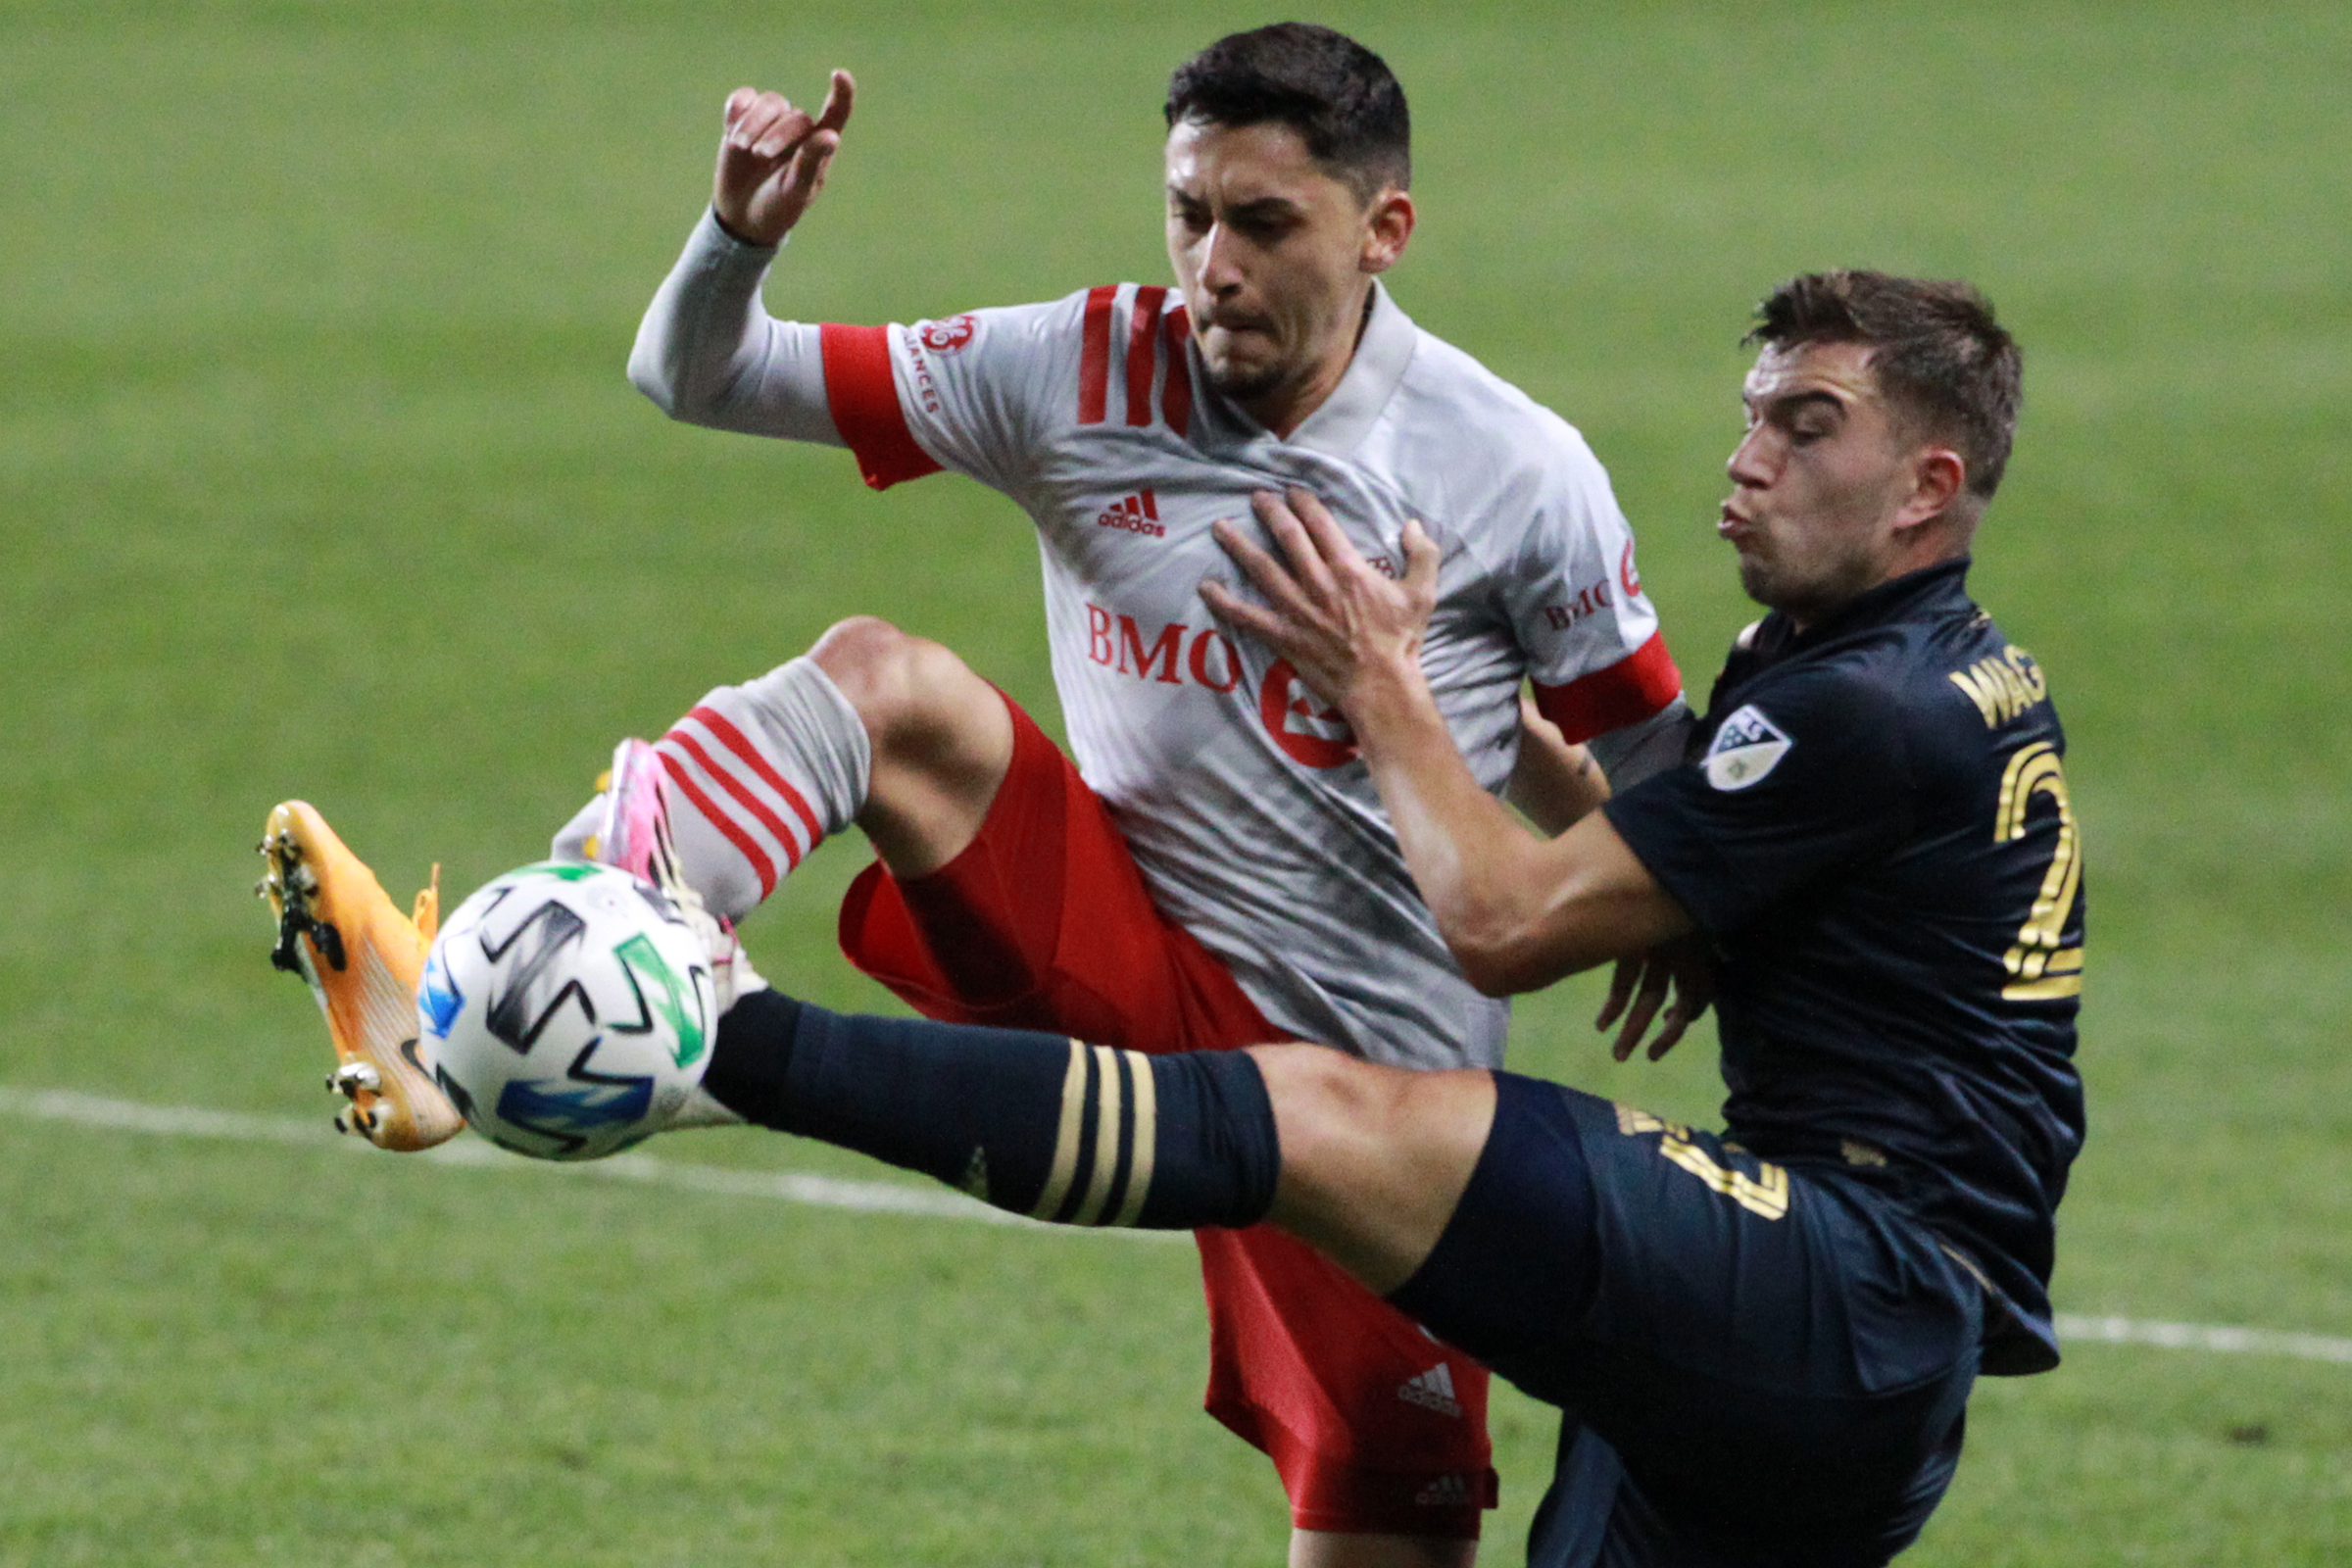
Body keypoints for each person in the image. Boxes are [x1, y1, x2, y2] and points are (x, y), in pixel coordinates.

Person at [258, 24, 1693, 1563]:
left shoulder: (1514, 470)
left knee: (1388, 1528)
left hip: (1367, 1099)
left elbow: (1659, 752)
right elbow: (694, 373)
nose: (1213, 263)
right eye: (1188, 213)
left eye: (1264, 223)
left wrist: (1678, 906)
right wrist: (739, 234)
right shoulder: (1079, 367)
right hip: (1119, 955)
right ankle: (529, 981)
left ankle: (554, 998)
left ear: (1383, 230)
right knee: (887, 688)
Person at [442, 268, 2079, 1565]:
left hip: (1848, 1285)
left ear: (1928, 489)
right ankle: (638, 929)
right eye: (1752, 415)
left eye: (1805, 426)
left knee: (1311, 1115)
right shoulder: (1895, 666)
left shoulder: (1860, 706)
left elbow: (1502, 927)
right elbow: (1676, 834)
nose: (1748, 455)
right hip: (1824, 1350)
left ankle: (710, 1037)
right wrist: (1476, 715)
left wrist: (1385, 685)